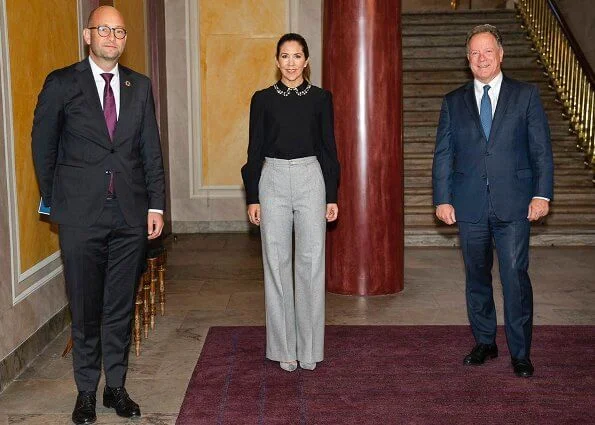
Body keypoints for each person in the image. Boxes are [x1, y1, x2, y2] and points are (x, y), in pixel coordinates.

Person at [31, 6, 165, 424]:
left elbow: (150, 150)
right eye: (103, 29)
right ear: (88, 35)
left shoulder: (139, 86)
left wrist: (156, 204)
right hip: (80, 216)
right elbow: (43, 146)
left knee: (120, 307)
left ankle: (116, 388)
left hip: (129, 215)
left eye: (119, 31)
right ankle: (86, 391)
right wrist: (57, 201)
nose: (112, 37)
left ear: (125, 39)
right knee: (86, 307)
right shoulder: (61, 84)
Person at [432, 24, 553, 378]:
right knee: (476, 277)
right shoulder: (453, 102)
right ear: (467, 59)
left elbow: (541, 150)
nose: (481, 58)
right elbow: (444, 154)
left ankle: (521, 352)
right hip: (468, 204)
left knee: (515, 277)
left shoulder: (525, 95)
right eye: (474, 53)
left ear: (501, 54)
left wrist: (541, 193)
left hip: (515, 203)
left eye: (488, 51)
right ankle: (485, 341)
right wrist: (442, 198)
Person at [241, 33, 340, 372]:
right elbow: (253, 150)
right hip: (273, 180)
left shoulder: (320, 98)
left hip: (312, 178)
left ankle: (310, 348)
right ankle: (284, 348)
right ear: (277, 60)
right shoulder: (262, 99)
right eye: (285, 56)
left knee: (312, 264)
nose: (291, 62)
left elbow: (329, 148)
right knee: (277, 265)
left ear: (306, 61)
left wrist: (332, 194)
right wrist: (253, 196)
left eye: (298, 56)